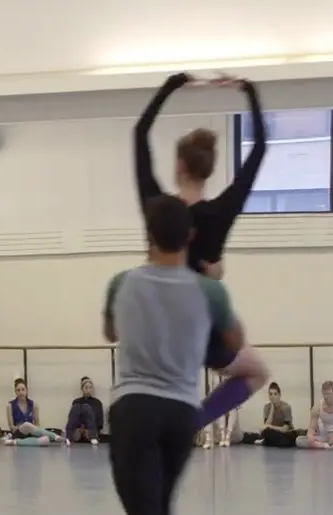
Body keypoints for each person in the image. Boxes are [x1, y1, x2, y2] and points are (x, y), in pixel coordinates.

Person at [100, 193, 239, 515]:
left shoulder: (121, 282)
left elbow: (110, 332)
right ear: (191, 236)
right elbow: (234, 343)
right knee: (154, 511)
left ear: (148, 235)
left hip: (135, 409)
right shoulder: (210, 290)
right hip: (182, 413)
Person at [134, 71, 271, 433]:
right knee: (257, 372)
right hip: (203, 326)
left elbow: (140, 133)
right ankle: (194, 422)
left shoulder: (158, 209)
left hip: (159, 320)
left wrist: (172, 85)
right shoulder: (220, 212)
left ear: (179, 165)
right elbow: (260, 147)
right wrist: (248, 90)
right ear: (209, 170)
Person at [297, 381, 333, 451]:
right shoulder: (317, 407)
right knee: (299, 440)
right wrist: (310, 435)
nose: (326, 397)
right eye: (324, 394)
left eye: (328, 394)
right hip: (325, 437)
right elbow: (312, 427)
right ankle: (327, 446)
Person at [5, 378, 60, 446]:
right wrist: (21, 426)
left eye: (23, 389)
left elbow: (37, 425)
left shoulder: (34, 405)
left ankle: (16, 442)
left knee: (46, 440)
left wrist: (32, 429)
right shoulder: (10, 406)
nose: (21, 392)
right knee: (26, 425)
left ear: (26, 390)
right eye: (18, 390)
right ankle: (55, 436)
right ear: (15, 392)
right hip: (18, 433)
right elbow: (12, 427)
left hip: (30, 433)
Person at [65, 377, 104, 445]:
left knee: (87, 407)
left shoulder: (97, 402)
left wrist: (87, 429)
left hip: (91, 430)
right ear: (82, 389)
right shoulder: (76, 401)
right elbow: (73, 418)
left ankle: (92, 436)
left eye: (90, 388)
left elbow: (99, 420)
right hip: (77, 430)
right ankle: (68, 436)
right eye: (86, 388)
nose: (88, 390)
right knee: (76, 407)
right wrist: (80, 428)